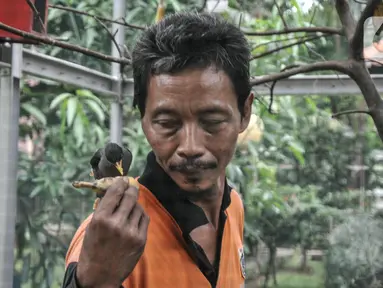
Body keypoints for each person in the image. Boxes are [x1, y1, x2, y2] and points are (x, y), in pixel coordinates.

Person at [62, 11, 253, 288]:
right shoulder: (110, 244)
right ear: (144, 121)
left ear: (245, 112)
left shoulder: (232, 205)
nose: (190, 147)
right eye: (167, 123)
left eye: (212, 122)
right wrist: (94, 281)